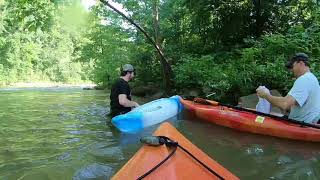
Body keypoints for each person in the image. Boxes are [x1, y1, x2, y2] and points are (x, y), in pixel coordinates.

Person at [256, 53, 320, 124]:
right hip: (307, 122)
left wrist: (265, 95)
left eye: (292, 66)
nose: (291, 70)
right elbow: (294, 106)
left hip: (300, 126)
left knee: (260, 120)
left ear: (301, 63)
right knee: (273, 114)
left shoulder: (304, 79)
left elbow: (285, 104)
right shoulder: (312, 78)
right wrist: (273, 102)